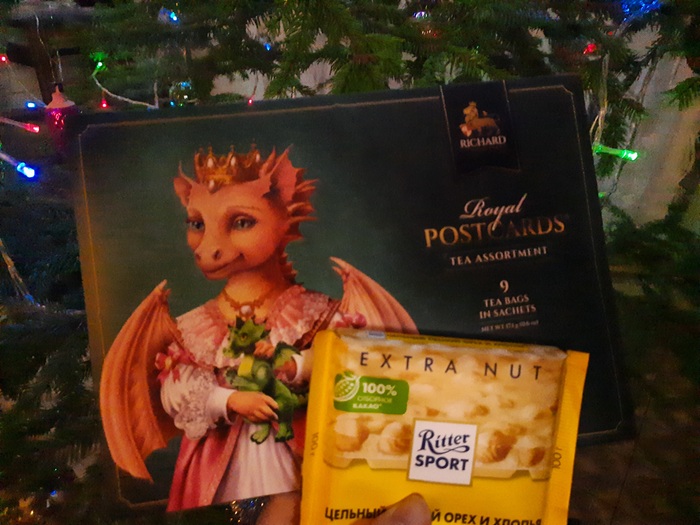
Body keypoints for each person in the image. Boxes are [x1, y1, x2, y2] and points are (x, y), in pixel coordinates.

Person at [100, 145, 416, 525]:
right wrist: (228, 400)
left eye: (241, 222)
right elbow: (175, 390)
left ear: (283, 214)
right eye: (197, 224)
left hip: (307, 457)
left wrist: (297, 365)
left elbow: (354, 367)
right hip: (218, 473)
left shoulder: (319, 314)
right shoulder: (192, 327)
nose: (208, 247)